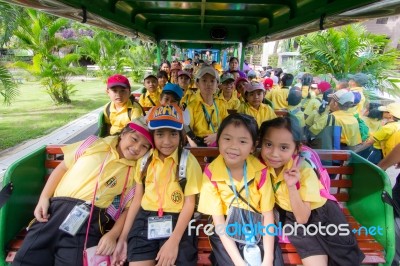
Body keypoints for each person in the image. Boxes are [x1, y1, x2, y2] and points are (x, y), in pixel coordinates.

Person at [13, 119, 154, 266]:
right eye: (134, 139)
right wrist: (44, 197)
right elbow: (62, 168)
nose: (137, 147)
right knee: (28, 257)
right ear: (123, 133)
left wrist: (113, 235)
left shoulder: (135, 172)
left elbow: (128, 208)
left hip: (89, 220)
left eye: (144, 146)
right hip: (53, 212)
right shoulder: (93, 144)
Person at [259, 116, 365, 266]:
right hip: (292, 220)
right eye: (268, 144)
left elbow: (303, 217)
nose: (274, 153)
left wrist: (291, 186)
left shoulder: (304, 171)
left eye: (284, 147)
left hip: (323, 216)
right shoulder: (262, 167)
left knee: (345, 260)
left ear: (296, 149)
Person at [113, 104, 202, 266]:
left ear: (181, 135)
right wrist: (123, 237)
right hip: (145, 220)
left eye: (173, 134)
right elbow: (137, 200)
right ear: (152, 135)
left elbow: (189, 204)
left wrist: (173, 242)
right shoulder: (144, 161)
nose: (166, 142)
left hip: (178, 222)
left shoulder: (188, 161)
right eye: (160, 134)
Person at [198, 113, 284, 266]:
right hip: (225, 227)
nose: (233, 146)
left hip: (258, 224)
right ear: (218, 140)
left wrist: (268, 259)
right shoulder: (211, 173)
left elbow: (267, 215)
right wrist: (239, 262)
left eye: (243, 141)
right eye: (227, 138)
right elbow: (219, 223)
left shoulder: (260, 170)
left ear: (252, 147)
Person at [186, 65, 228, 147]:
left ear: (217, 85)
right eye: (204, 80)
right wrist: (196, 149)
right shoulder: (191, 106)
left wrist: (217, 135)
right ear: (197, 83)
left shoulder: (221, 105)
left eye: (212, 81)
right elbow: (187, 129)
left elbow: (228, 126)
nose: (208, 84)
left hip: (219, 142)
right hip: (198, 143)